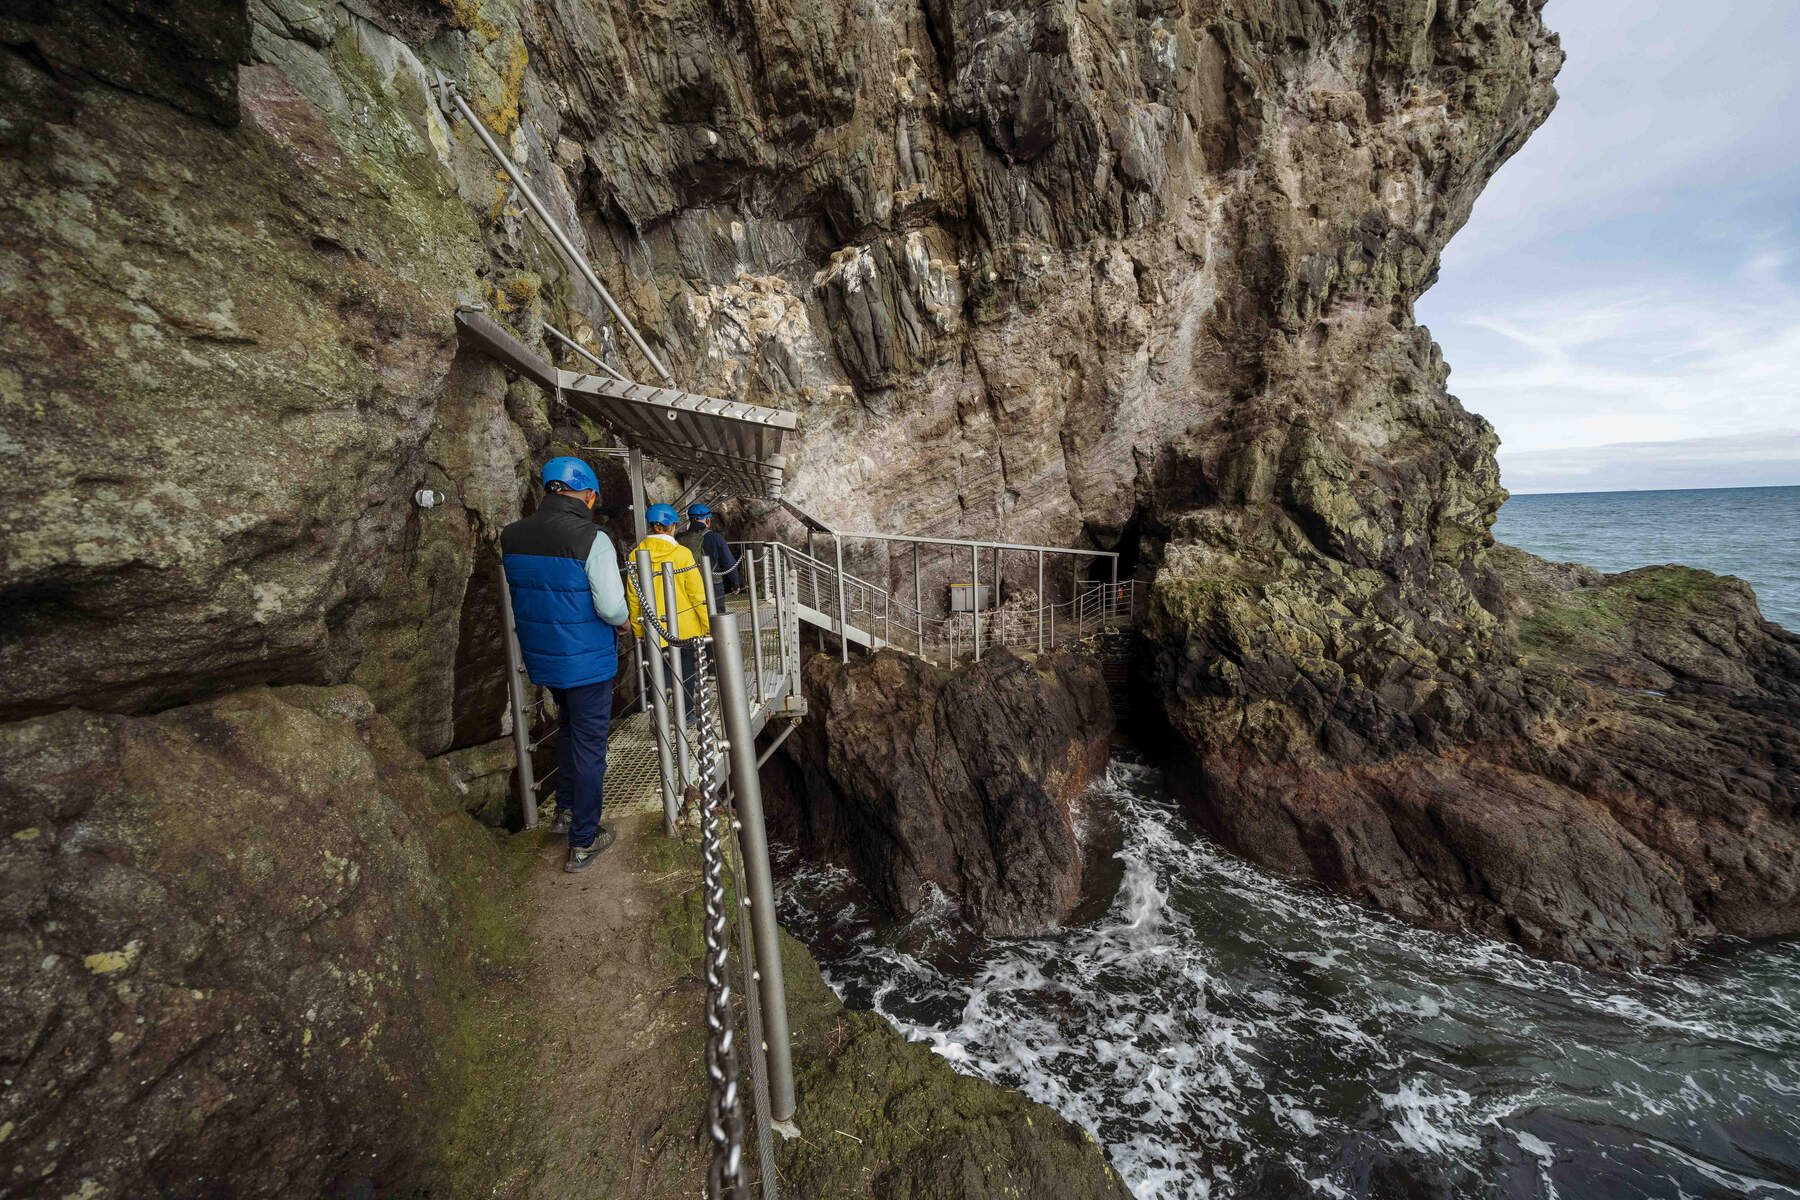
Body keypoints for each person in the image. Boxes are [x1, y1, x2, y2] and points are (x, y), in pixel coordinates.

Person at [500, 456, 630, 873]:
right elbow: (610, 606)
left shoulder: (513, 536)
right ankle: (583, 841)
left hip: (545, 659)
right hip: (587, 662)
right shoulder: (594, 538)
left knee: (569, 729)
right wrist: (626, 621)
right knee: (591, 746)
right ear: (588, 495)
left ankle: (565, 812)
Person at [627, 503, 711, 721]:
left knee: (659, 675)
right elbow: (697, 594)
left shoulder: (635, 556)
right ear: (672, 526)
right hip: (684, 629)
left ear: (651, 527)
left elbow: (634, 598)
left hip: (653, 629)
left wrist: (638, 631)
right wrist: (706, 626)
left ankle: (660, 720)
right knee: (686, 673)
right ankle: (687, 714)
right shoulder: (682, 555)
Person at [678, 502, 740, 592]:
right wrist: (735, 584)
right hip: (713, 584)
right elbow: (728, 562)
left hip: (688, 585)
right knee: (716, 606)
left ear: (690, 519)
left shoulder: (680, 539)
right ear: (707, 520)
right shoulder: (715, 537)